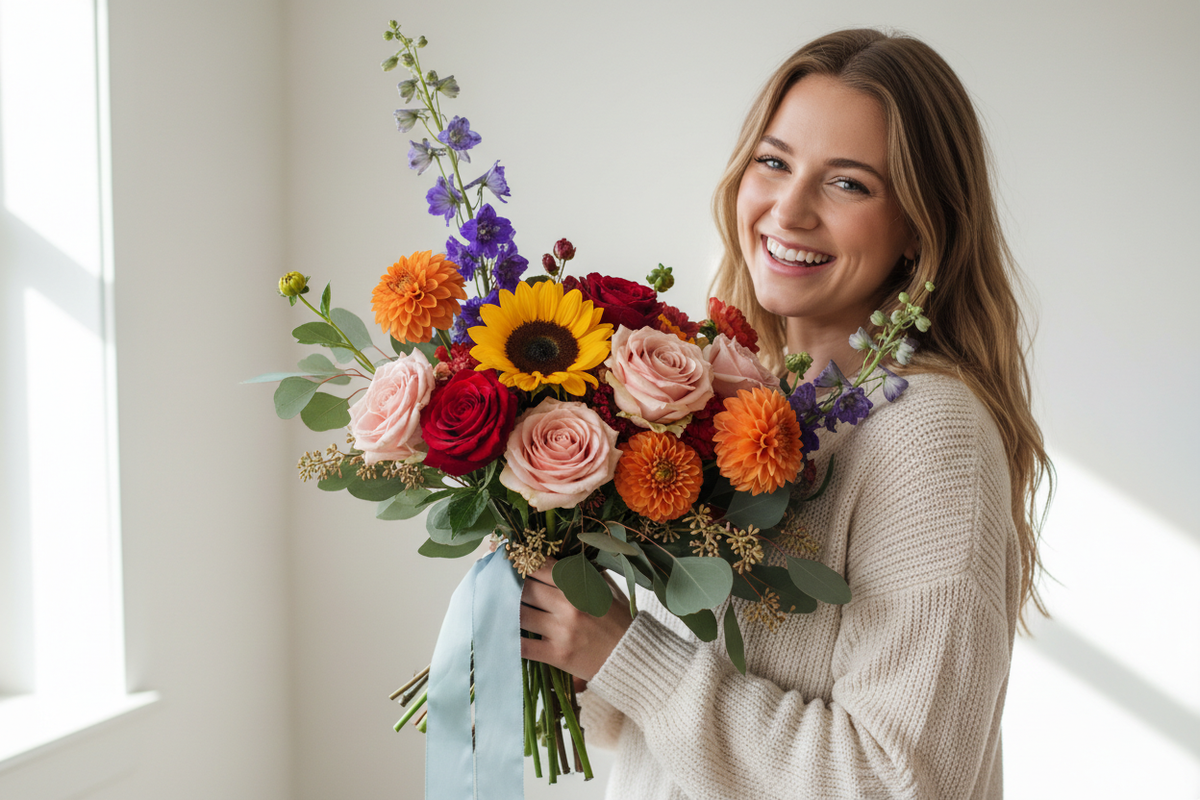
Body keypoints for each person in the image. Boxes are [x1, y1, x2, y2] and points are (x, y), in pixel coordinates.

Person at [518, 28, 1051, 799]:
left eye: (849, 184)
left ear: (918, 226)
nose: (789, 209)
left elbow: (898, 780)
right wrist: (564, 639)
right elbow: (668, 732)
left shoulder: (930, 435)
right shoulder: (723, 396)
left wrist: (624, 655)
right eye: (773, 162)